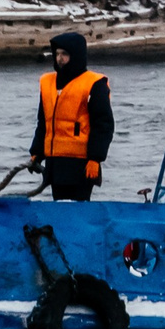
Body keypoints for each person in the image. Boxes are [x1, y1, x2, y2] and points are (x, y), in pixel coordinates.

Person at [28, 30, 112, 201]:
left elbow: (103, 125)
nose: (60, 58)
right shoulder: (47, 83)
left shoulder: (94, 84)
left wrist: (95, 158)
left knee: (78, 209)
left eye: (65, 54)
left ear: (77, 55)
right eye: (57, 54)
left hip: (80, 164)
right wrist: (37, 152)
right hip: (55, 163)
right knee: (59, 206)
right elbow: (43, 122)